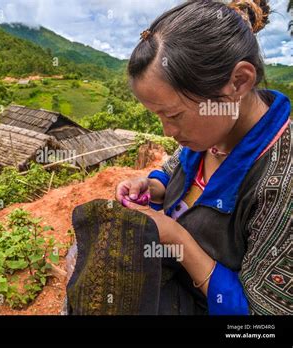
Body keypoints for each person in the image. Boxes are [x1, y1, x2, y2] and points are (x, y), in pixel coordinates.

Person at [115, 0, 291, 315]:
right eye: (159, 117)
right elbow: (173, 170)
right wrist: (153, 185)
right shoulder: (210, 130)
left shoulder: (282, 183)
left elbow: (260, 318)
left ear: (239, 82)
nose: (167, 131)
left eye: (173, 115)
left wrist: (175, 238)